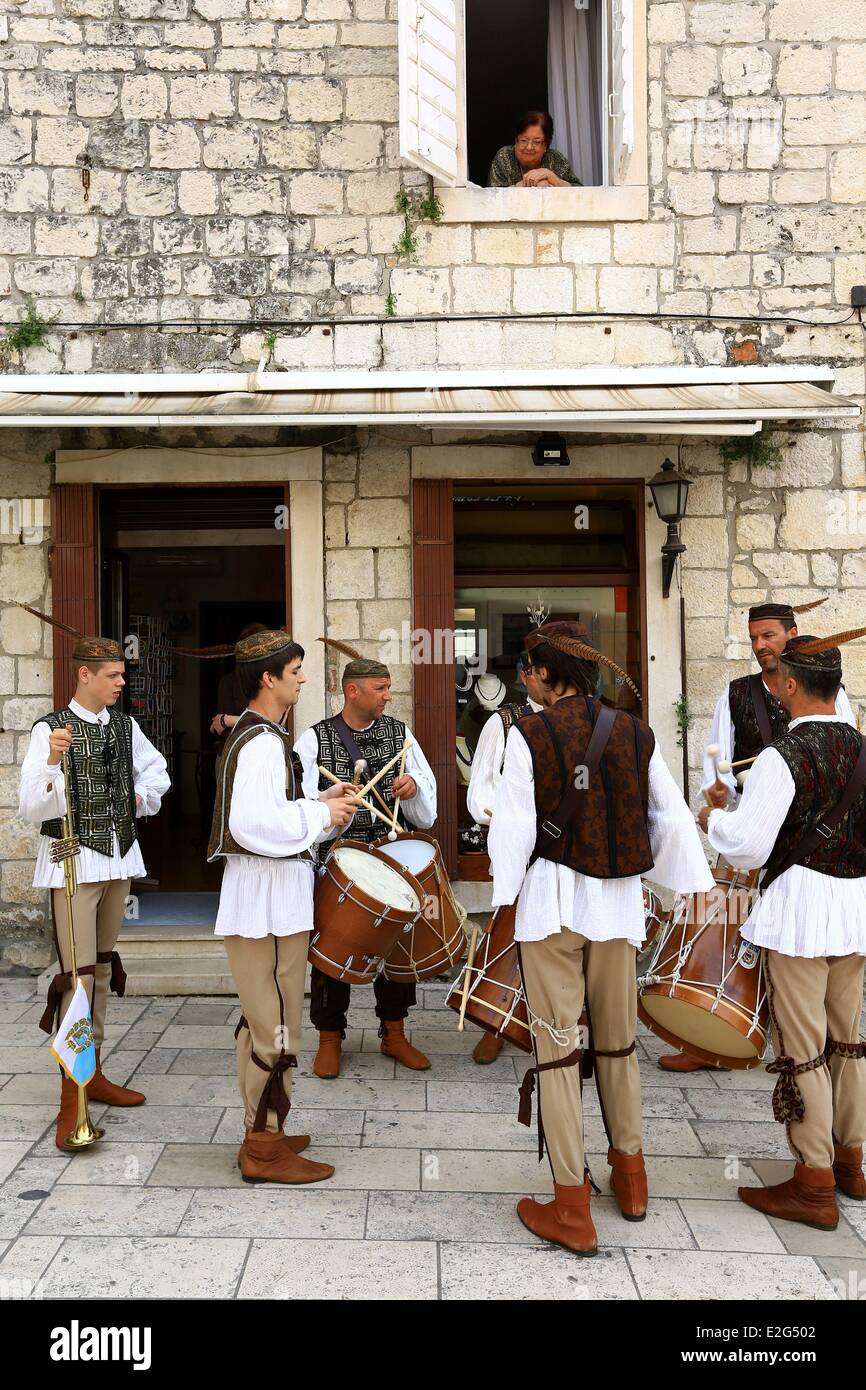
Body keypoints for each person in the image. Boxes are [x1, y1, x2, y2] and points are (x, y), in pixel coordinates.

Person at [488, 622, 714, 1255]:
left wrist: (503, 904)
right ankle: (632, 1176)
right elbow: (667, 816)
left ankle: (570, 1207)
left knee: (558, 1050)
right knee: (618, 1043)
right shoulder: (636, 732)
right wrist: (684, 890)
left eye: (531, 670)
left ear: (548, 673)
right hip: (617, 906)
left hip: (552, 906)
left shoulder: (528, 734)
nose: (525, 682)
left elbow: (511, 831)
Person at [699, 630, 866, 1231]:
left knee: (803, 1049)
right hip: (854, 910)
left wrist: (715, 819)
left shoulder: (782, 757)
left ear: (790, 685)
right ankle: (851, 1162)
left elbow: (747, 847)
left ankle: (814, 1184)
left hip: (799, 912)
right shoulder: (865, 749)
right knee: (847, 1040)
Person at [659, 596, 855, 1075]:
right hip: (753, 820)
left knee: (791, 952)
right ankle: (714, 1033)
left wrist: (721, 823)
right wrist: (718, 793)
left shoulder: (828, 692)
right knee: (728, 933)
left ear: (791, 635)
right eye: (753, 638)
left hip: (803, 838)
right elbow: (715, 757)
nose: (760, 645)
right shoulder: (737, 693)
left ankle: (791, 1045)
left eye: (768, 636)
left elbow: (839, 757)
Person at [208, 629, 358, 1185]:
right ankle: (263, 1148)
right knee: (272, 1027)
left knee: (275, 1022)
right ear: (268, 678)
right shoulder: (262, 742)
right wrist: (320, 818)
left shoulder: (265, 736)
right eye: (294, 670)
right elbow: (250, 825)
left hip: (277, 901)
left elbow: (268, 810)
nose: (301, 677)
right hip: (264, 905)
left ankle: (267, 1126)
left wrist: (317, 802)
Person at [18, 631, 170, 1151]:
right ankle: (71, 1099)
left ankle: (94, 1070)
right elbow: (31, 808)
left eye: (122, 675)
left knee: (101, 968)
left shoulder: (126, 727)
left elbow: (158, 773)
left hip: (119, 857)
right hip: (71, 861)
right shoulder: (49, 730)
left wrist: (139, 796)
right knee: (76, 977)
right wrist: (55, 765)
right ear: (84, 675)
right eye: (113, 676)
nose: (121, 683)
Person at [295, 643, 438, 1079]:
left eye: (389, 688)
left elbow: (427, 811)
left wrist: (412, 788)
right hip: (339, 863)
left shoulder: (401, 735)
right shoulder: (313, 739)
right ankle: (329, 1038)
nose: (388, 696)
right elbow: (298, 806)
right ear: (352, 691)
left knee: (397, 950)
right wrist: (330, 810)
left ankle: (393, 1033)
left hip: (392, 858)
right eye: (381, 688)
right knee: (334, 950)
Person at [465, 654, 543, 1064]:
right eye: (533, 672)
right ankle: (496, 1019)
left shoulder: (585, 718)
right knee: (507, 932)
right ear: (524, 676)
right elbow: (480, 790)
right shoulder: (506, 721)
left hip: (566, 850)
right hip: (518, 847)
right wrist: (506, 822)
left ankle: (554, 1022)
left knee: (561, 939)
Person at [487, 110, 582, 189]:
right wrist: (521, 185)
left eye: (536, 142)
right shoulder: (504, 157)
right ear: (516, 141)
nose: (529, 147)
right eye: (523, 140)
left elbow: (582, 194)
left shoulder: (555, 159)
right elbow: (492, 196)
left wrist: (554, 179)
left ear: (545, 145)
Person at [209, 622, 269, 738]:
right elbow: (222, 729)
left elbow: (277, 724)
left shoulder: (273, 679)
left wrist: (228, 719)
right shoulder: (228, 682)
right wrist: (224, 721)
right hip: (235, 749)